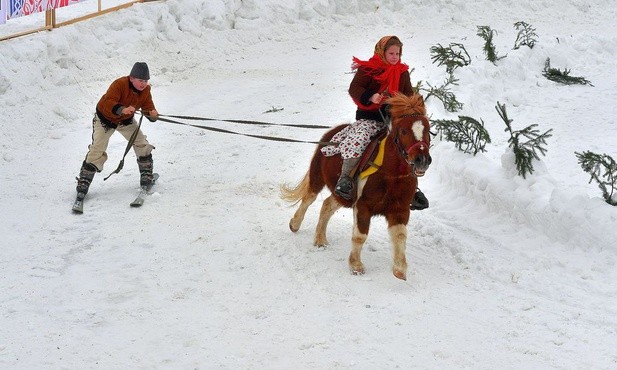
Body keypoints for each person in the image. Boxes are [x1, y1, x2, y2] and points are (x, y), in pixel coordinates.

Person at [322, 35, 429, 209]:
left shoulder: (402, 72)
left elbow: (409, 94)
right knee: (357, 141)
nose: (395, 57)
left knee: (406, 146)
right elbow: (354, 88)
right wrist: (371, 96)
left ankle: (412, 189)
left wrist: (410, 104)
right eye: (391, 53)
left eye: (398, 53)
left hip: (393, 120)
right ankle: (346, 179)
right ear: (382, 52)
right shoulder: (368, 69)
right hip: (369, 118)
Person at [75, 62, 159, 199]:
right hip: (105, 120)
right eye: (140, 80)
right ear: (131, 78)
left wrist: (153, 115)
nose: (143, 84)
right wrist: (122, 109)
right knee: (98, 148)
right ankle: (84, 181)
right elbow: (109, 102)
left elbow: (148, 107)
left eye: (145, 80)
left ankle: (146, 176)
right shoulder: (119, 84)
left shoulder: (146, 90)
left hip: (126, 121)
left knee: (141, 143)